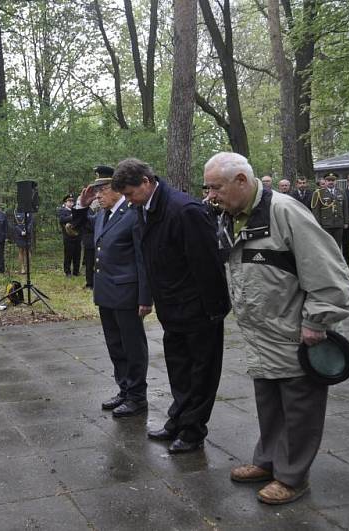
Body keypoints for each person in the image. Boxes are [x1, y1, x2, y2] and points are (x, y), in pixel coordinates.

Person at [203, 152, 349, 505]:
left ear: (242, 180)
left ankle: (292, 476)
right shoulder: (230, 216)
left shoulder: (285, 212)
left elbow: (329, 273)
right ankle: (269, 460)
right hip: (262, 334)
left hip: (296, 334)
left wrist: (317, 322)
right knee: (269, 403)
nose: (210, 194)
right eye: (208, 187)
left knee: (300, 407)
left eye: (216, 187)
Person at [111, 158, 230, 454]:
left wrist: (215, 309)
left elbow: (208, 263)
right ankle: (178, 419)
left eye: (129, 193)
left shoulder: (184, 210)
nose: (127, 200)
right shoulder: (145, 208)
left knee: (201, 372)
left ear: (146, 182)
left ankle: (193, 431)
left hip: (199, 309)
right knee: (179, 368)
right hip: (172, 307)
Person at [73, 169, 151, 418]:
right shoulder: (102, 215)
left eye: (102, 190)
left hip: (127, 293)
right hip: (106, 291)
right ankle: (125, 389)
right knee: (115, 345)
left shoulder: (132, 214)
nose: (98, 196)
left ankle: (137, 396)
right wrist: (81, 206)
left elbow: (142, 257)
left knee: (132, 346)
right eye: (96, 192)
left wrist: (145, 297)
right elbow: (78, 229)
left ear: (117, 189)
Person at [311, 172, 347, 251]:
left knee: (338, 245)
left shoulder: (341, 192)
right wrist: (318, 224)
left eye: (333, 180)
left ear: (336, 181)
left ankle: (337, 262)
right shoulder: (319, 193)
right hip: (325, 224)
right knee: (326, 245)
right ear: (325, 181)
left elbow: (345, 208)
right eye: (328, 180)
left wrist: (346, 222)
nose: (331, 182)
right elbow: (316, 211)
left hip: (338, 223)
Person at [57, 194, 81, 277]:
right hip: (68, 236)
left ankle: (76, 271)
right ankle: (67, 271)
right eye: (69, 201)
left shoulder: (75, 210)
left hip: (77, 235)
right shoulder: (62, 210)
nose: (71, 203)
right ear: (65, 202)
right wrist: (72, 216)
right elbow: (62, 220)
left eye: (72, 201)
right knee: (68, 254)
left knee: (77, 254)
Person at [12, 210, 34, 275]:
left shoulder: (29, 211)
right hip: (19, 234)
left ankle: (28, 268)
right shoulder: (15, 211)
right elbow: (14, 224)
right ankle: (22, 268)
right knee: (21, 250)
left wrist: (27, 230)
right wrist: (20, 231)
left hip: (28, 233)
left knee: (27, 250)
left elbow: (31, 222)